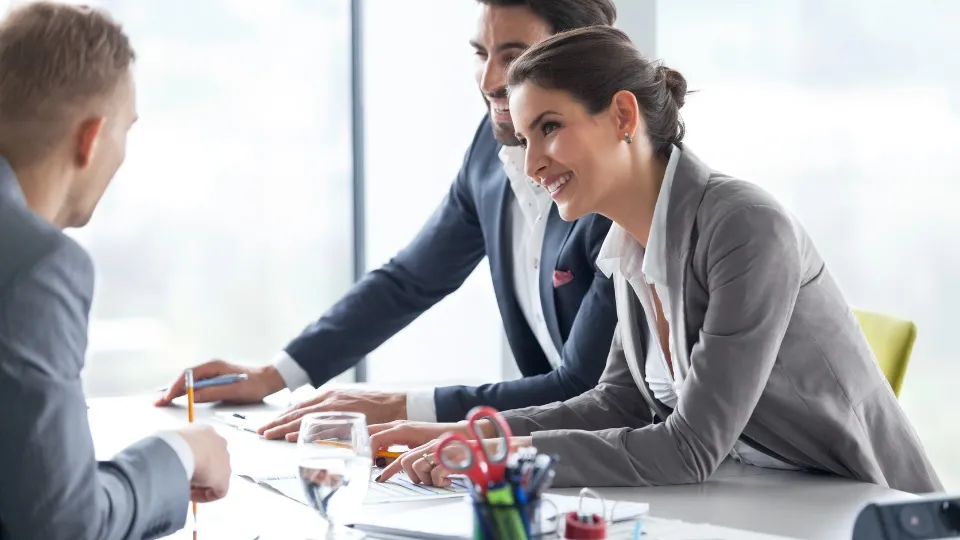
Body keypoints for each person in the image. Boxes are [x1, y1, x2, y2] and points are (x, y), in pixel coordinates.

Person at [369, 26, 943, 494]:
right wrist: (466, 434)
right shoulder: (630, 244)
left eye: (550, 128)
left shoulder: (744, 226)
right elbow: (617, 401)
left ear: (623, 116)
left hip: (867, 509)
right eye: (525, 139)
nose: (534, 163)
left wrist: (504, 453)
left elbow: (690, 448)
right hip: (762, 500)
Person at [156, 0, 623, 438]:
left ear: (576, 54)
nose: (488, 80)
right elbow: (410, 280)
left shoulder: (611, 184)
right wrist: (274, 375)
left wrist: (398, 406)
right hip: (549, 455)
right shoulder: (489, 150)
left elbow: (584, 386)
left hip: (628, 462)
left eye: (513, 56)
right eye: (481, 54)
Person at [0, 3, 232, 539]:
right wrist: (179, 453)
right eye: (126, 130)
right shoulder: (37, 266)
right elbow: (63, 526)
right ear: (90, 139)